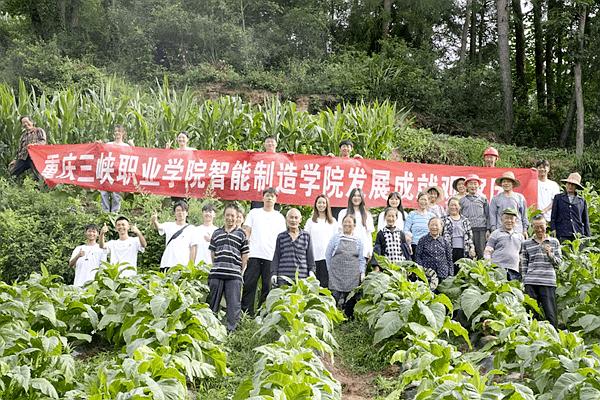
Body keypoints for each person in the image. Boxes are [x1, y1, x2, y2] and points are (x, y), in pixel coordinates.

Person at [241, 188, 286, 316]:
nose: (269, 198)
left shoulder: (279, 217)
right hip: (253, 254)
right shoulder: (254, 213)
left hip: (270, 256)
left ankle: (262, 314)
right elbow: (247, 231)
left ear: (276, 199)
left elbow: (281, 239)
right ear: (263, 198)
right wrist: (245, 250)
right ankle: (246, 313)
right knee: (249, 284)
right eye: (267, 195)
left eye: (272, 196)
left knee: (267, 287)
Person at [207, 204, 250, 332]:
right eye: (227, 215)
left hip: (234, 275)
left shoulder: (241, 234)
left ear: (237, 217)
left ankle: (231, 331)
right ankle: (209, 329)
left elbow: (245, 255)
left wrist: (239, 271)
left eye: (232, 216)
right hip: (216, 274)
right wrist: (218, 265)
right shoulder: (216, 233)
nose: (230, 218)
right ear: (224, 216)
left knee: (233, 305)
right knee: (212, 303)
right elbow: (212, 253)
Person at [521, 215, 562, 327]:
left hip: (548, 282)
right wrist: (524, 282)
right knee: (531, 315)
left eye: (541, 226)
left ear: (546, 226)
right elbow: (524, 264)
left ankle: (554, 339)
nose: (539, 229)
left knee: (551, 315)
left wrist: (550, 254)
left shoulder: (554, 242)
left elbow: (559, 263)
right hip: (531, 282)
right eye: (536, 227)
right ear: (532, 227)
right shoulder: (526, 243)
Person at [325, 215, 365, 318]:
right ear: (342, 224)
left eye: (349, 222)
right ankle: (332, 318)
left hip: (352, 274)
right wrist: (330, 269)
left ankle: (348, 319)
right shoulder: (336, 238)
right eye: (345, 222)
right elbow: (328, 254)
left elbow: (361, 258)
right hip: (336, 273)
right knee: (334, 297)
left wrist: (362, 272)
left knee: (350, 299)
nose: (347, 224)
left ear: (354, 225)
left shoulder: (358, 241)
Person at [271, 208, 316, 286]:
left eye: (296, 218)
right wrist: (274, 273)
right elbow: (276, 257)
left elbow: (310, 257)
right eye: (291, 217)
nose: (293, 220)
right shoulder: (281, 236)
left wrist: (311, 271)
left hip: (301, 279)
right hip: (283, 279)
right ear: (286, 219)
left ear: (300, 220)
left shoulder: (306, 236)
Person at [151, 201, 197, 271]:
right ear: (174, 213)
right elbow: (159, 227)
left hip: (183, 265)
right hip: (167, 263)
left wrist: (191, 265)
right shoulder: (168, 225)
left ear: (187, 213)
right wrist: (154, 221)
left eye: (183, 210)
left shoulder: (192, 229)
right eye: (178, 210)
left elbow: (193, 248)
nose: (180, 213)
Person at [304, 194, 338, 287]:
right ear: (315, 204)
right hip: (314, 257)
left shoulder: (333, 222)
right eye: (319, 202)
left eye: (324, 202)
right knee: (313, 285)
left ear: (327, 205)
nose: (321, 205)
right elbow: (305, 239)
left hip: (327, 258)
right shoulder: (310, 221)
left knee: (325, 284)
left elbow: (337, 240)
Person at [484, 208, 525, 281]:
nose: (509, 221)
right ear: (501, 220)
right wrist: (488, 266)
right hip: (498, 269)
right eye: (506, 218)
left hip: (514, 270)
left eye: (512, 218)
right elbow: (488, 251)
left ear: (515, 221)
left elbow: (522, 255)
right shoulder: (495, 234)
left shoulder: (520, 236)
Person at [551, 172, 591, 243]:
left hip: (578, 233)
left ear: (576, 187)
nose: (570, 186)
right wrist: (553, 229)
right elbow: (553, 216)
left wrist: (588, 236)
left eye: (573, 184)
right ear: (566, 184)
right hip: (562, 232)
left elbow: (585, 220)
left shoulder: (582, 201)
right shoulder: (558, 198)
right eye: (568, 183)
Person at [337, 188, 375, 261]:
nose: (356, 198)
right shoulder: (343, 213)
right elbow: (339, 233)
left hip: (363, 251)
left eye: (359, 196)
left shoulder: (367, 214)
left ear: (362, 198)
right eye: (354, 196)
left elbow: (368, 235)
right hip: (347, 251)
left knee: (360, 272)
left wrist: (370, 251)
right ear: (351, 198)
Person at [100, 125, 131, 213]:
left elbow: (133, 157)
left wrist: (133, 146)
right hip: (108, 171)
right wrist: (98, 145)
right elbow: (101, 153)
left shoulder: (126, 146)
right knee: (104, 192)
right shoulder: (108, 145)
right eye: (116, 131)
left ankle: (114, 213)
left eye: (119, 131)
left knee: (116, 194)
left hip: (119, 172)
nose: (117, 133)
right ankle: (105, 212)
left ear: (123, 133)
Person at [489, 171, 529, 237]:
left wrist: (525, 230)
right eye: (504, 181)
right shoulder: (496, 198)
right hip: (500, 231)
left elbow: (524, 215)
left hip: (517, 231)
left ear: (513, 184)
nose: (506, 184)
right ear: (501, 184)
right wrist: (493, 230)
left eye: (508, 182)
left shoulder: (520, 197)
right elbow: (492, 216)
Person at [459, 174, 489, 259]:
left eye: (475, 183)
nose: (473, 186)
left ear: (479, 185)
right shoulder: (462, 201)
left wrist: (488, 229)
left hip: (481, 229)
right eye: (470, 183)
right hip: (467, 230)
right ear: (466, 186)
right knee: (468, 253)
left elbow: (487, 215)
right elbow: (459, 216)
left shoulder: (483, 199)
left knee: (481, 253)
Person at [416, 217, 454, 282]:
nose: (434, 227)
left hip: (443, 273)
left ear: (441, 227)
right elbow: (418, 257)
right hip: (428, 275)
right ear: (428, 226)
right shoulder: (422, 240)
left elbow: (449, 259)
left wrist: (450, 275)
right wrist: (421, 271)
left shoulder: (445, 242)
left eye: (436, 225)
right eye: (432, 225)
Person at [442, 197, 476, 266]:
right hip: (448, 250)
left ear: (460, 207)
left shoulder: (465, 220)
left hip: (463, 250)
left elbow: (470, 237)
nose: (453, 207)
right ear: (448, 206)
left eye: (455, 205)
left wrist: (472, 248)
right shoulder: (444, 220)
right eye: (451, 205)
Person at [404, 192, 436, 256]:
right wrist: (409, 241)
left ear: (429, 202)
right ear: (418, 201)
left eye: (425, 200)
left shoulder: (432, 216)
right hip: (415, 245)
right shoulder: (412, 214)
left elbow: (436, 231)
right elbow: (406, 230)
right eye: (421, 199)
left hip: (429, 246)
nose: (423, 202)